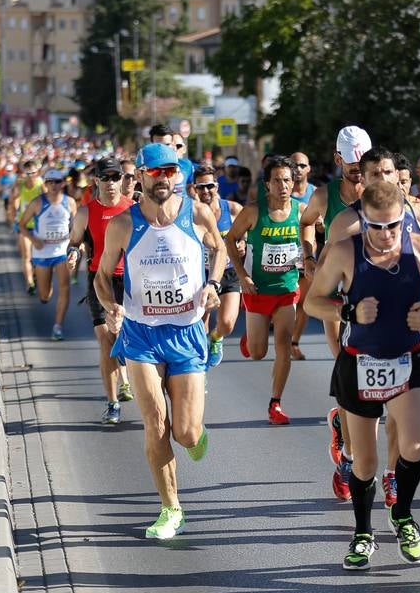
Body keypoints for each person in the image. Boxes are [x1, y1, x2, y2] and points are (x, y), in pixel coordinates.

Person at [305, 181, 420, 569]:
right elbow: (312, 302)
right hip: (360, 363)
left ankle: (402, 515)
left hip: (407, 359)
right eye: (377, 227)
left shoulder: (419, 246)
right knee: (366, 464)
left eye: (394, 226)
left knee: (414, 448)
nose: (387, 235)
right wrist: (348, 313)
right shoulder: (344, 252)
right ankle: (362, 533)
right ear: (363, 221)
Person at [94, 143, 226, 540]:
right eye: (157, 173)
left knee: (185, 432)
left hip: (186, 331)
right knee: (155, 422)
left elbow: (219, 250)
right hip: (140, 334)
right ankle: (171, 509)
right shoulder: (123, 224)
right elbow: (101, 276)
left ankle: (195, 434)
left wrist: (214, 284)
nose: (165, 178)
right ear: (142, 177)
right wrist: (110, 307)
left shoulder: (196, 214)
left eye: (171, 172)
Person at [301, 125, 372, 500]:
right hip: (338, 295)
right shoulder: (326, 196)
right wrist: (310, 257)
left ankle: (349, 437)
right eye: (352, 163)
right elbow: (306, 223)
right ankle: (347, 456)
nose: (358, 170)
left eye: (364, 162)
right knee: (347, 369)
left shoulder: (382, 195)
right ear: (339, 159)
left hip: (376, 293)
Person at [225, 156, 314, 425]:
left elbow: (311, 232)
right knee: (258, 352)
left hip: (287, 288)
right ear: (267, 184)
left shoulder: (301, 211)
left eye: (287, 179)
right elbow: (230, 239)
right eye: (277, 180)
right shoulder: (253, 211)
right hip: (257, 290)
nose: (283, 185)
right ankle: (251, 338)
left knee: (284, 345)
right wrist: (242, 276)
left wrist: (309, 256)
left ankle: (275, 403)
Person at [69, 156, 135, 424]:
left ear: (123, 180)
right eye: (105, 178)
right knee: (106, 338)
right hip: (100, 279)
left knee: (129, 338)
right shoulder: (86, 212)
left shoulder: (133, 208)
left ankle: (129, 379)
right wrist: (73, 254)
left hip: (131, 280)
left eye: (115, 177)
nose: (110, 183)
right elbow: (74, 242)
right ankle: (113, 402)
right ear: (96, 180)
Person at [192, 165, 244, 369]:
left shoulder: (232, 209)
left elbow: (245, 236)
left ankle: (216, 337)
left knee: (227, 324)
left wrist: (242, 245)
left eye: (209, 186)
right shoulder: (191, 213)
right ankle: (199, 369)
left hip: (228, 271)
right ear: (194, 188)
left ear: (217, 185)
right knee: (199, 325)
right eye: (200, 187)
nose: (205, 191)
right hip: (201, 273)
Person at [18, 169, 76, 340]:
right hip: (42, 251)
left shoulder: (70, 202)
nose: (53, 185)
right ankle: (41, 287)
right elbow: (21, 225)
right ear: (45, 184)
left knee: (64, 288)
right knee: (45, 295)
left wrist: (76, 245)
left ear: (62, 183)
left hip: (62, 250)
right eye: (49, 182)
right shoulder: (37, 203)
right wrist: (33, 240)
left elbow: (75, 226)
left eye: (56, 182)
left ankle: (58, 326)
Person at [289, 152, 318, 360]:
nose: (298, 169)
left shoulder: (316, 194)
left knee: (303, 304)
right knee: (286, 302)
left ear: (309, 169)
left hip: (307, 255)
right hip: (283, 258)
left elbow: (325, 222)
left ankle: (293, 343)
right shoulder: (281, 192)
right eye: (294, 165)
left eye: (302, 165)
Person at [11, 160, 44, 295]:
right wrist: (14, 216)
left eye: (33, 173)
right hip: (24, 226)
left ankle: (35, 274)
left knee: (38, 258)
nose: (30, 176)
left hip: (39, 227)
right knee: (26, 256)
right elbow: (13, 199)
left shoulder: (41, 185)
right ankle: (29, 283)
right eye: (28, 173)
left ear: (38, 172)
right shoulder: (21, 185)